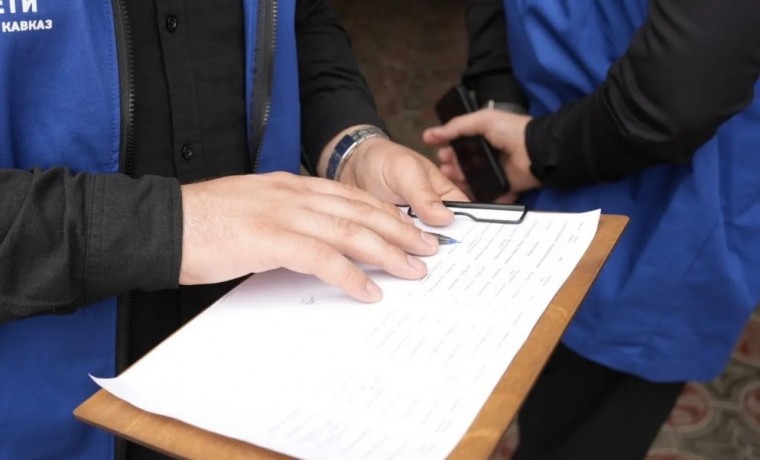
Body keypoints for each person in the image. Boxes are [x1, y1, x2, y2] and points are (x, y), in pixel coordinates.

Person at [0, 1, 467, 458]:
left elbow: (301, 23)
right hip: (54, 411)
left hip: (274, 379)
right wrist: (174, 225)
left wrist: (350, 146)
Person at [423, 0, 760, 459]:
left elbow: (682, 95)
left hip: (663, 212)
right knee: (526, 395)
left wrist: (537, 147)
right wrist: (501, 100)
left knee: (583, 421)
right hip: (542, 153)